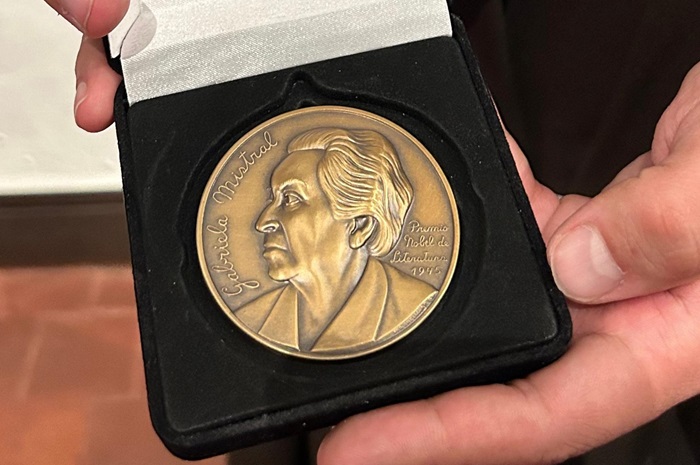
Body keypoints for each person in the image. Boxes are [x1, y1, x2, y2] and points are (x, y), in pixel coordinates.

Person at [47, 0, 700, 463]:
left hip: (615, 75)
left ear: (361, 221)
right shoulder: (268, 309)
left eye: (290, 199)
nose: (263, 219)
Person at [237, 128, 436, 354]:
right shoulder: (253, 317)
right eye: (272, 199)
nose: (263, 222)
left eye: (291, 199)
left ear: (360, 226)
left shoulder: (413, 305)